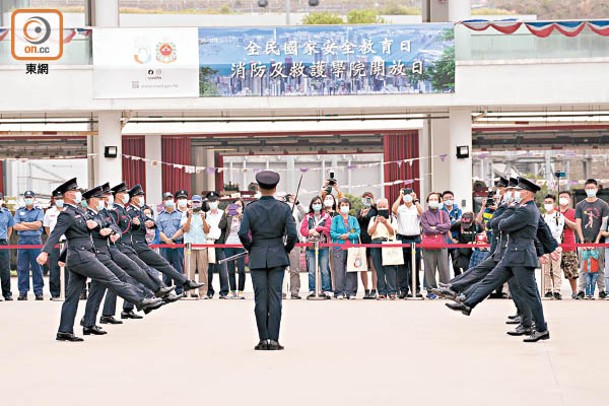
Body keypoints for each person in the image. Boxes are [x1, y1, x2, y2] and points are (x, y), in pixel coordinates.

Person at [36, 178, 165, 342]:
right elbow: (56, 235)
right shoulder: (66, 214)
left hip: (80, 256)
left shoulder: (80, 212)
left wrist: (99, 228)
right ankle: (141, 301)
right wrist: (45, 252)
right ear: (68, 194)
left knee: (73, 296)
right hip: (82, 257)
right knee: (112, 278)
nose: (78, 194)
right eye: (75, 191)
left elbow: (86, 230)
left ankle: (65, 330)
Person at [446, 178, 556, 343]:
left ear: (526, 193)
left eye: (518, 191)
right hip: (513, 255)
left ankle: (541, 329)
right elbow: (541, 231)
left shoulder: (525, 211)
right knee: (491, 279)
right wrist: (550, 248)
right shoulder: (524, 209)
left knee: (530, 294)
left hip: (521, 257)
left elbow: (499, 224)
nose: (515, 194)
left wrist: (508, 210)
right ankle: (468, 304)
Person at [238, 170, 297, 351]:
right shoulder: (284, 208)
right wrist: (284, 249)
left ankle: (263, 339)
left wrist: (251, 247)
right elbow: (292, 234)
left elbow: (242, 233)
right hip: (277, 255)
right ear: (275, 187)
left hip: (257, 254)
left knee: (260, 299)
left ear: (259, 187)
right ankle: (274, 339)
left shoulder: (250, 208)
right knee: (275, 298)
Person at [126, 184, 204, 295]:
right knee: (145, 272)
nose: (142, 198)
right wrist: (141, 224)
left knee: (158, 266)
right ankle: (167, 289)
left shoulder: (139, 211)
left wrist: (149, 223)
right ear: (133, 199)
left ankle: (180, 285)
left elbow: (152, 222)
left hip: (141, 245)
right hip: (135, 246)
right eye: (140, 196)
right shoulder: (129, 211)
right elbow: (128, 226)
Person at [575, 179, 609, 299]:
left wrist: (596, 240)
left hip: (598, 242)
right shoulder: (580, 205)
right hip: (583, 242)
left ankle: (601, 290)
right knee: (583, 267)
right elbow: (578, 223)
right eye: (588, 188)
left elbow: (604, 224)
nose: (590, 190)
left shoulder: (603, 205)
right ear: (585, 189)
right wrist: (582, 239)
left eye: (592, 188)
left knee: (599, 267)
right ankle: (581, 290)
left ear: (596, 189)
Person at [13, 190, 45, 300]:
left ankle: (38, 292)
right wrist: (31, 225)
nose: (28, 199)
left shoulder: (39, 211)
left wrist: (24, 223)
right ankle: (23, 292)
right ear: (24, 199)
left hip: (36, 241)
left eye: (30, 197)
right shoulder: (19, 211)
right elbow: (16, 226)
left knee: (37, 267)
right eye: (26, 197)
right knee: (22, 268)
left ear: (34, 199)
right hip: (22, 241)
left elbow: (38, 225)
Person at [392, 187, 423, 298]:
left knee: (415, 265)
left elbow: (421, 213)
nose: (407, 196)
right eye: (405, 194)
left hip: (415, 238)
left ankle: (416, 288)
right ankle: (403, 289)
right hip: (402, 238)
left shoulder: (416, 207)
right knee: (402, 266)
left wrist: (416, 199)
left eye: (409, 194)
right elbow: (393, 210)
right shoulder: (400, 208)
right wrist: (400, 197)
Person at [420, 192, 451, 298]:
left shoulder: (444, 213)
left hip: (442, 244)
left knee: (444, 268)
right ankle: (431, 291)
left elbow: (448, 225)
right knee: (429, 268)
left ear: (439, 201)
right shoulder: (424, 214)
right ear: (428, 202)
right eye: (431, 199)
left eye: (435, 199)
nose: (433, 201)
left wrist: (435, 227)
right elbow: (426, 229)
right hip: (428, 245)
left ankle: (444, 291)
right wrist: (439, 228)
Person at [300, 196, 332, 298]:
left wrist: (317, 229)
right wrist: (310, 232)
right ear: (312, 205)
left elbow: (328, 229)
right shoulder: (307, 217)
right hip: (311, 247)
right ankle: (312, 289)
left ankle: (326, 290)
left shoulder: (327, 216)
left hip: (323, 246)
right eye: (315, 203)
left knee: (324, 270)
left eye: (319, 203)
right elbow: (303, 230)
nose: (317, 205)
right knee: (312, 270)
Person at [330, 198, 361, 300]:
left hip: (352, 248)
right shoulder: (336, 219)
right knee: (339, 270)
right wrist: (341, 236)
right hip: (339, 247)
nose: (344, 207)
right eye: (342, 205)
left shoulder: (353, 219)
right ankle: (339, 292)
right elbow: (332, 233)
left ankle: (351, 292)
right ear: (339, 207)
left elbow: (357, 232)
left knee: (352, 270)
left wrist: (349, 236)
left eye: (346, 204)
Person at [368, 198, 398, 299]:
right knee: (378, 269)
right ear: (376, 207)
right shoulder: (372, 219)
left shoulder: (392, 218)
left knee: (390, 269)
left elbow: (393, 232)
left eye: (384, 206)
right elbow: (370, 232)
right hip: (376, 242)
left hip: (388, 242)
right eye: (380, 207)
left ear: (388, 206)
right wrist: (376, 223)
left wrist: (385, 222)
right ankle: (381, 292)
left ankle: (392, 292)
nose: (382, 208)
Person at [181, 194, 210, 299]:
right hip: (189, 246)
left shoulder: (206, 214)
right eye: (194, 202)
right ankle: (191, 292)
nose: (196, 204)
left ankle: (203, 293)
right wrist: (189, 217)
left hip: (202, 245)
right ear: (191, 203)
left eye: (198, 202)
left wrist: (203, 219)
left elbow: (207, 230)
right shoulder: (185, 214)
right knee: (189, 270)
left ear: (201, 204)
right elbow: (185, 229)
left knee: (203, 270)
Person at [157, 191, 185, 294]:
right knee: (165, 267)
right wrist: (167, 241)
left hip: (177, 243)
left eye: (170, 198)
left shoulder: (180, 214)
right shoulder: (160, 216)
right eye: (167, 199)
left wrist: (172, 240)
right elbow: (158, 231)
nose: (169, 201)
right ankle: (167, 290)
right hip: (164, 245)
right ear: (163, 202)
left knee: (178, 267)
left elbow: (182, 229)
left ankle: (179, 290)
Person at [219, 198, 247, 299]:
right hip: (229, 244)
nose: (237, 208)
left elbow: (248, 228)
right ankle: (232, 290)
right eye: (235, 206)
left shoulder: (244, 217)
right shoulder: (229, 216)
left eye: (239, 206)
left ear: (243, 208)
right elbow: (220, 226)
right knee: (230, 269)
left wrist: (240, 217)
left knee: (241, 269)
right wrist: (225, 214)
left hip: (240, 245)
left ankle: (240, 290)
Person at [205, 191, 230, 299]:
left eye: (214, 201)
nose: (212, 203)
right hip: (209, 241)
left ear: (218, 201)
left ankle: (224, 291)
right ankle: (209, 290)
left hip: (220, 241)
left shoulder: (223, 213)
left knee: (222, 267)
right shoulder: (204, 214)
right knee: (209, 268)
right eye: (210, 201)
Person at [541, 194, 565, 299]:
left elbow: (558, 231)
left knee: (556, 269)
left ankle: (557, 290)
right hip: (544, 245)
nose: (548, 204)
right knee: (546, 269)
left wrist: (549, 237)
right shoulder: (542, 216)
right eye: (546, 202)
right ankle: (548, 289)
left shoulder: (559, 216)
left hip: (556, 244)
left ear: (554, 203)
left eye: (550, 202)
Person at [558, 191, 580, 298]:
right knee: (554, 271)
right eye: (561, 197)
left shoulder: (573, 212)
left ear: (570, 200)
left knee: (571, 270)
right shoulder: (554, 211)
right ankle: (554, 291)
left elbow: (575, 226)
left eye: (565, 197)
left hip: (569, 245)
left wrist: (564, 219)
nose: (563, 199)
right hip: (555, 245)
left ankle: (574, 291)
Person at [43, 191, 65, 300]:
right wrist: (53, 239)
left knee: (68, 268)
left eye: (61, 198)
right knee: (54, 268)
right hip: (55, 243)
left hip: (67, 242)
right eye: (57, 198)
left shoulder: (68, 210)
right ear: (54, 199)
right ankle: (55, 293)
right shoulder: (49, 212)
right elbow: (47, 228)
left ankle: (67, 292)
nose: (59, 200)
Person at [285, 193, 307, 300]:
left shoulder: (296, 213)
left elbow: (304, 213)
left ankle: (294, 292)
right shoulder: (277, 213)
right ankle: (282, 291)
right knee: (281, 270)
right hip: (280, 243)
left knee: (295, 269)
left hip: (294, 242)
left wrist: (297, 203)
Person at [356, 192, 378, 299]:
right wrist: (361, 214)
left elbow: (374, 216)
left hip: (373, 240)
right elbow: (357, 220)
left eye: (369, 199)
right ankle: (366, 289)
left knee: (374, 266)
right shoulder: (359, 211)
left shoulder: (375, 210)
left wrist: (373, 205)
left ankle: (374, 289)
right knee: (363, 266)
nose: (367, 201)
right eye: (365, 199)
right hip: (362, 240)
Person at [449, 212, 483, 276]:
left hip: (474, 250)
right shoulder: (459, 224)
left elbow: (483, 234)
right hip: (462, 250)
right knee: (465, 268)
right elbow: (449, 229)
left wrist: (475, 242)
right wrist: (452, 239)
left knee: (473, 268)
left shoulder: (477, 225)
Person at [442, 190, 463, 277]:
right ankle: (445, 283)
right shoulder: (440, 211)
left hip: (455, 240)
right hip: (443, 241)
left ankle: (457, 284)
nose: (448, 200)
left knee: (456, 265)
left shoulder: (458, 210)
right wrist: (452, 224)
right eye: (446, 198)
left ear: (453, 198)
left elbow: (460, 223)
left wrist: (447, 224)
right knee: (444, 265)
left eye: (450, 198)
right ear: (443, 200)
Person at [0, 192, 14, 301]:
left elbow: (10, 228)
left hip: (3, 242)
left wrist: (7, 238)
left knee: (5, 269)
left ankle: (7, 293)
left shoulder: (7, 213)